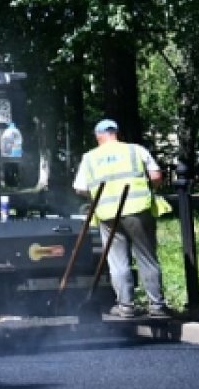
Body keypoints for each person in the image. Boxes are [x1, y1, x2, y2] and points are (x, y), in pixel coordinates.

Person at [73, 118, 172, 318]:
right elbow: (155, 176)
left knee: (118, 261)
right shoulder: (136, 150)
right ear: (116, 133)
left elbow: (80, 187)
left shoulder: (90, 157)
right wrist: (146, 188)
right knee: (147, 258)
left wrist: (97, 195)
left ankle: (126, 306)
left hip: (108, 215)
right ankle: (157, 306)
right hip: (138, 210)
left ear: (98, 136)